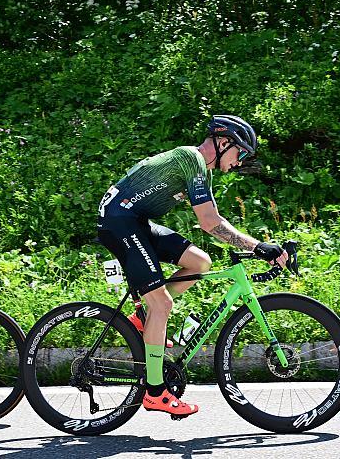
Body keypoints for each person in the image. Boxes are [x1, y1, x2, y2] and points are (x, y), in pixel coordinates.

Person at [97, 115, 288, 418]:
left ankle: (143, 316)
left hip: (133, 221)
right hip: (119, 223)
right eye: (239, 153)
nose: (238, 162)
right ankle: (156, 392)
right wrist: (256, 246)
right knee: (163, 304)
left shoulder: (199, 169)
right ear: (224, 143)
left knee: (199, 262)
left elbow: (211, 219)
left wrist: (254, 245)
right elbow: (210, 223)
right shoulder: (191, 159)